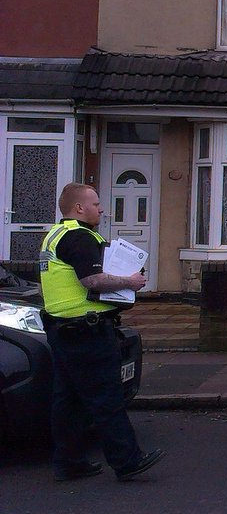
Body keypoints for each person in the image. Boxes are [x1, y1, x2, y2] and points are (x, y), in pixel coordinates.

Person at [39, 183, 164, 482]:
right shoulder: (79, 237)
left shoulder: (54, 235)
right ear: (79, 208)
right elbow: (92, 280)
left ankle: (69, 462)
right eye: (96, 203)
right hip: (86, 331)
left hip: (63, 328)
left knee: (67, 400)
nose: (102, 208)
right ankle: (127, 460)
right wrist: (129, 281)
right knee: (106, 397)